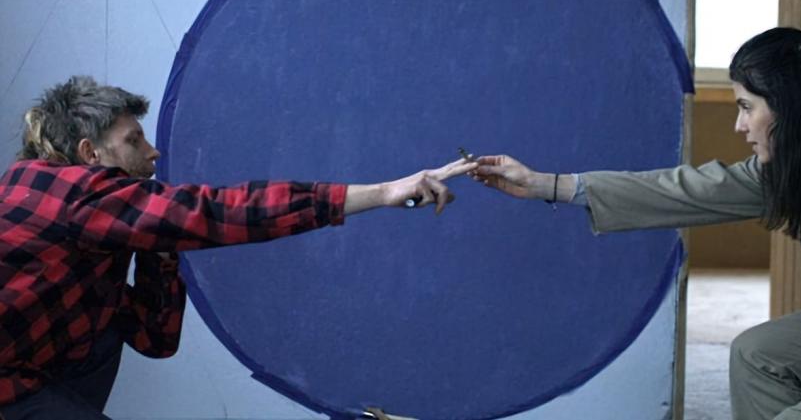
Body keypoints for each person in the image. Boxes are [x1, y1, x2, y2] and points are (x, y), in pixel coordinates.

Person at [0, 75, 476, 420]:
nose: (153, 152)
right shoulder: (66, 193)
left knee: (100, 336)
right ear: (90, 154)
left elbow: (154, 340)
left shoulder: (101, 226)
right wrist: (384, 192)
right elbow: (224, 213)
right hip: (9, 382)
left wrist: (160, 251)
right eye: (134, 140)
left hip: (30, 371)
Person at [472, 24, 801, 420]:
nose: (739, 125)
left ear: (790, 104)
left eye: (747, 107)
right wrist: (547, 185)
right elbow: (690, 190)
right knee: (757, 355)